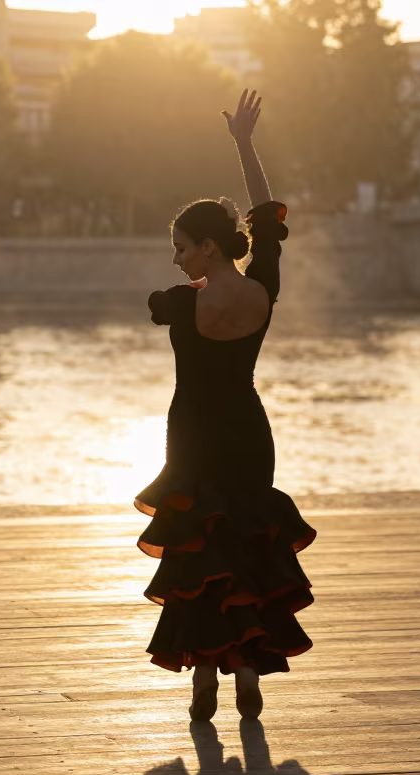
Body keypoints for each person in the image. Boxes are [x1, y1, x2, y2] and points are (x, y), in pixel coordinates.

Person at [136, 90, 317, 721]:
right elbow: (265, 214)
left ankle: (207, 672)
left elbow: (163, 300)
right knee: (243, 547)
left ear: (208, 247)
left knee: (199, 555)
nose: (178, 257)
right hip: (249, 431)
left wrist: (184, 286)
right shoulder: (264, 289)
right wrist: (245, 144)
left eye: (184, 247)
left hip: (194, 438)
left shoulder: (184, 304)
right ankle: (246, 668)